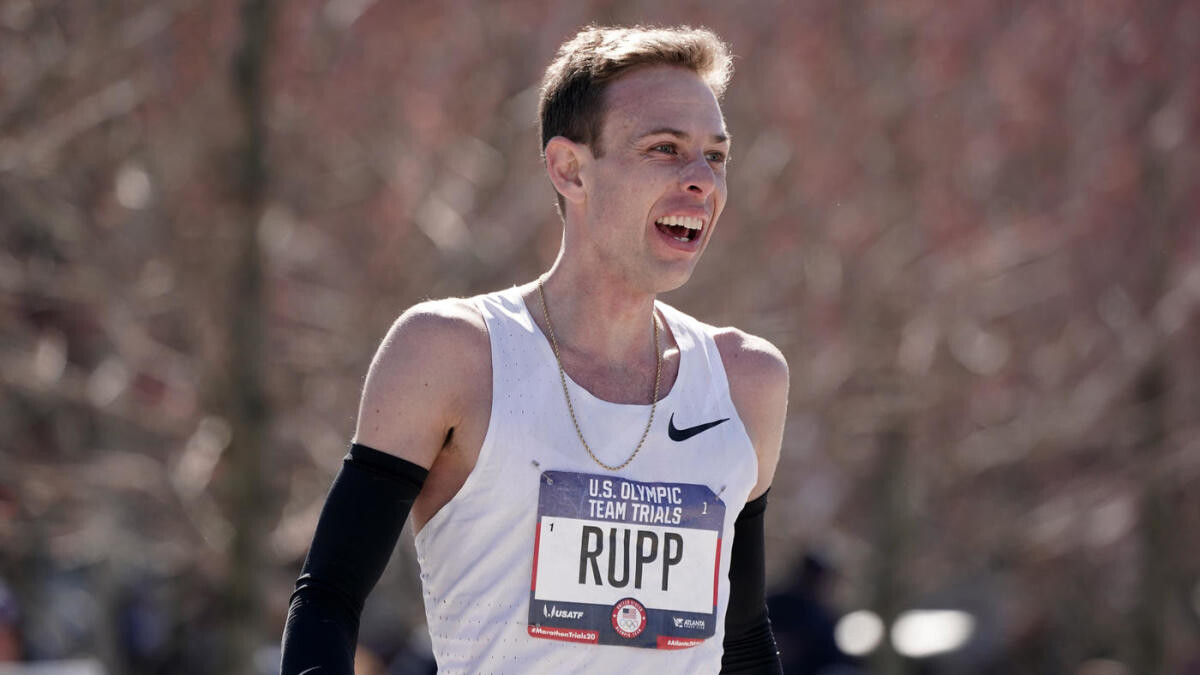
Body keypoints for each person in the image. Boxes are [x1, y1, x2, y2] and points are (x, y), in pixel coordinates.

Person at [281, 24, 788, 674]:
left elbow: (742, 639)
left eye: (715, 157)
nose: (701, 181)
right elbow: (329, 595)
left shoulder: (746, 380)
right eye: (665, 149)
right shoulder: (453, 353)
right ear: (570, 170)